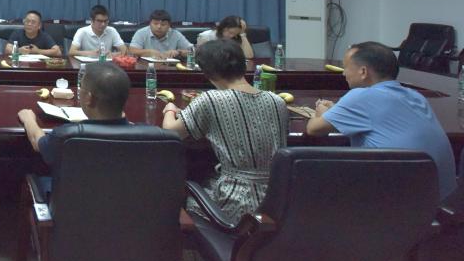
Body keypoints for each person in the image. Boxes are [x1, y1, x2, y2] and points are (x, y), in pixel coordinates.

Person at [306, 41, 457, 200]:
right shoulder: (416, 96)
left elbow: (313, 129)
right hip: (442, 198)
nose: (344, 73)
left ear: (363, 72)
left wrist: (321, 111)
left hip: (399, 202)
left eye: (347, 68)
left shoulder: (361, 96)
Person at [162, 39, 288, 221]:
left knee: (182, 197)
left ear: (209, 73)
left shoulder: (212, 99)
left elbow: (170, 134)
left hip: (235, 204)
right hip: (277, 201)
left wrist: (170, 110)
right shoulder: (277, 101)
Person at [17, 62, 131, 173]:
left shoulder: (67, 136)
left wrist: (28, 119)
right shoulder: (138, 134)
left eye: (81, 87)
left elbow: (37, 142)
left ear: (89, 98)